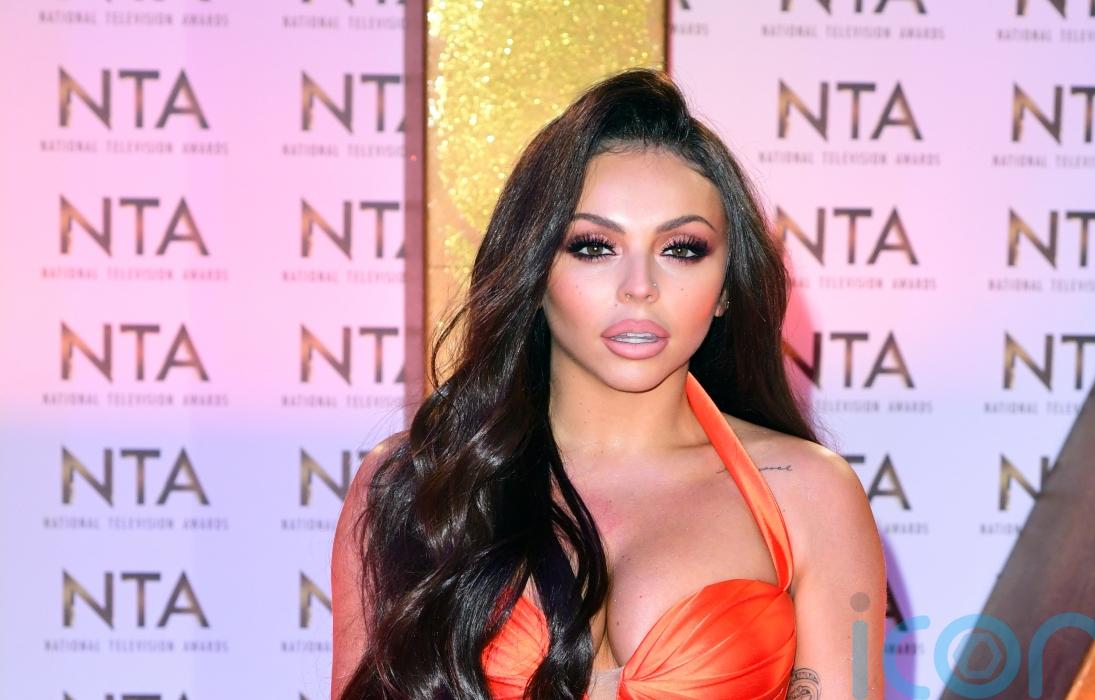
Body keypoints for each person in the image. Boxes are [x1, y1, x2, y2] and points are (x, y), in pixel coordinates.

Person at [330, 67, 886, 700]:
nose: (639, 287)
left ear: (726, 286)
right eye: (594, 246)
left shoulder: (808, 494)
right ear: (534, 269)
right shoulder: (414, 485)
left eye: (682, 248)